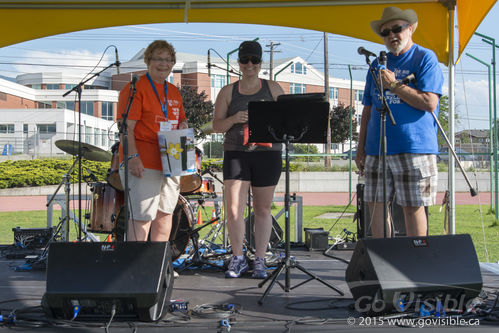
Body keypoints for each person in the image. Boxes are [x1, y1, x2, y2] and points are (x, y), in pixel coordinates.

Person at [355, 7, 444, 238]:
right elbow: (367, 108)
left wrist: (394, 86)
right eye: (386, 32)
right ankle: (384, 260)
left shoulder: (425, 58)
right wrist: (360, 147)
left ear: (410, 29)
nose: (392, 35)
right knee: (375, 205)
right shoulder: (376, 65)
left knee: (412, 206)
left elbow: (429, 102)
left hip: (413, 146)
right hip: (377, 148)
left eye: (397, 29)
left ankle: (416, 263)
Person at [213, 40, 285, 279]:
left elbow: (287, 122)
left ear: (260, 63)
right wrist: (234, 118)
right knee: (233, 209)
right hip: (236, 153)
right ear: (239, 63)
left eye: (254, 60)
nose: (249, 64)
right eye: (245, 60)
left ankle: (260, 260)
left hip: (267, 155)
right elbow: (216, 126)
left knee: (262, 209)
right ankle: (237, 257)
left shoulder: (273, 89)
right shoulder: (228, 91)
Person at [117, 40, 188, 242]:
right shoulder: (135, 88)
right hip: (143, 161)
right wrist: (132, 156)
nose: (164, 64)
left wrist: (183, 125)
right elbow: (125, 128)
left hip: (171, 162)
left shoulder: (173, 91)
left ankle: (157, 267)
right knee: (141, 218)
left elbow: (182, 119)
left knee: (165, 216)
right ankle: (137, 271)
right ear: (148, 61)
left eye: (168, 60)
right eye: (158, 58)